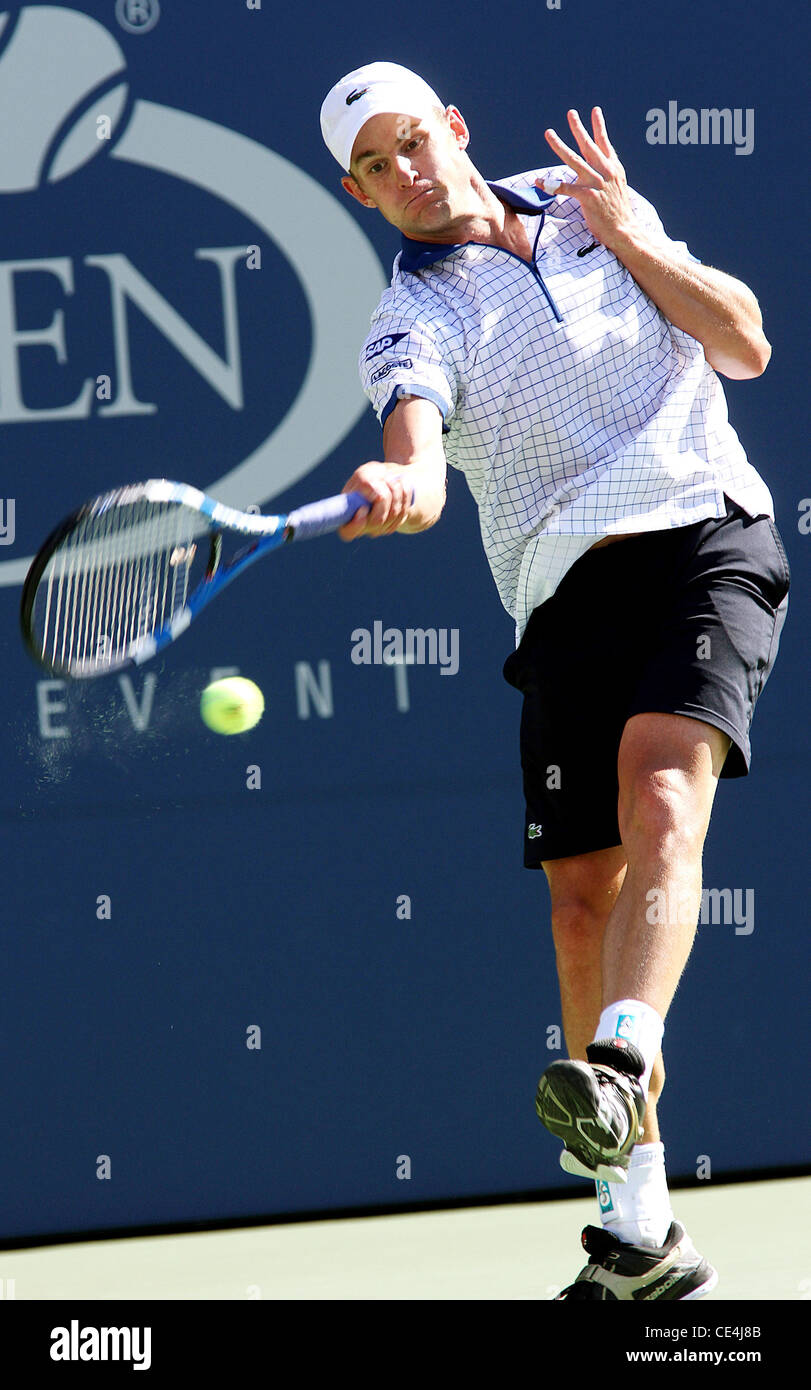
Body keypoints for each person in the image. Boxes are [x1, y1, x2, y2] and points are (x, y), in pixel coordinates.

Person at [319, 61, 790, 1300]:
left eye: (413, 142)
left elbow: (743, 342)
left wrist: (637, 235)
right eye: (376, 168)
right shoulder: (406, 320)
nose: (406, 174)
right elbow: (412, 433)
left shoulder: (588, 199)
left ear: (454, 128)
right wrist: (405, 479)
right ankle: (637, 1230)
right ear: (363, 198)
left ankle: (624, 1056)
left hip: (702, 531)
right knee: (582, 902)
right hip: (562, 588)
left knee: (661, 798)